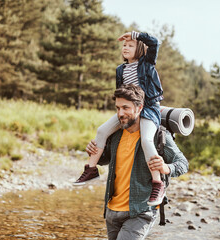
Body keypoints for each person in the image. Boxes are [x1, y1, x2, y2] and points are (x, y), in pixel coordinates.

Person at [73, 30, 165, 206]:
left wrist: (136, 35)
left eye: (130, 45)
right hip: (129, 110)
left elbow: (154, 43)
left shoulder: (146, 64)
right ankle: (91, 169)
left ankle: (157, 183)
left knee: (146, 140)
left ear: (139, 49)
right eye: (124, 45)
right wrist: (121, 110)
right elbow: (120, 94)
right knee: (102, 131)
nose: (125, 48)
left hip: (148, 109)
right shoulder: (120, 69)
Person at [86, 84, 188, 240]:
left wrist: (166, 167)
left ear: (139, 107)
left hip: (140, 210)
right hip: (112, 209)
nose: (120, 113)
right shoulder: (116, 133)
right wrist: (94, 152)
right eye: (118, 108)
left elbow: (182, 163)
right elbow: (106, 159)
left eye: (125, 108)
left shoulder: (157, 134)